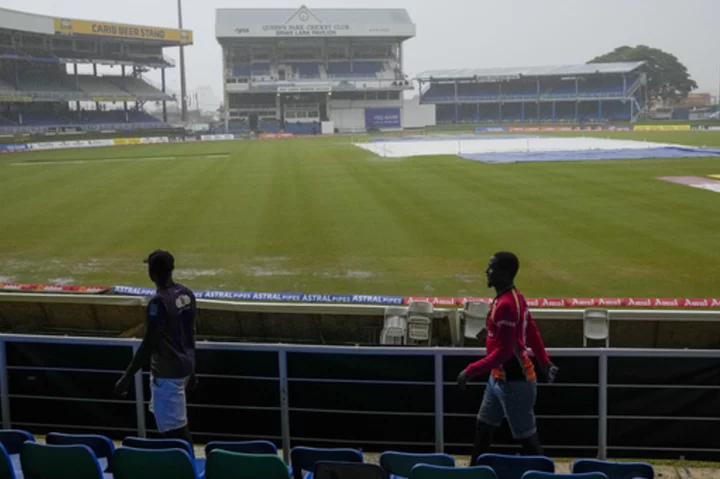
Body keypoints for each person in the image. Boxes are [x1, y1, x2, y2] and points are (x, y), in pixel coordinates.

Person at [457, 252, 557, 462]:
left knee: (528, 441)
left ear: (503, 274)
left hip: (515, 384)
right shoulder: (513, 298)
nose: (486, 271)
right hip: (499, 379)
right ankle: (474, 474)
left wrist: (470, 371)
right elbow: (530, 330)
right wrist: (544, 361)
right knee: (483, 429)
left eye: (491, 267)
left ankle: (544, 476)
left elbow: (503, 353)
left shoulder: (506, 305)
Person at [115, 250, 197, 444]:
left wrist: (126, 377)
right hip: (183, 369)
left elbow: (149, 343)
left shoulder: (158, 302)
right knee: (174, 427)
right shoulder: (186, 293)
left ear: (152, 273)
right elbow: (191, 334)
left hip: (168, 374)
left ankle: (186, 468)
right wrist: (192, 370)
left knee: (174, 431)